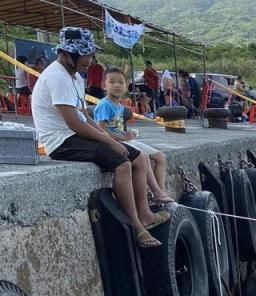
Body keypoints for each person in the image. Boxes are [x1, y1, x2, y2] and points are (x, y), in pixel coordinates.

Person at [33, 27, 168, 248]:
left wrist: (107, 136)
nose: (90, 59)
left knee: (141, 158)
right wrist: (110, 141)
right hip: (61, 141)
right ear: (69, 53)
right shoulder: (56, 76)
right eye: (86, 54)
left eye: (90, 54)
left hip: (75, 135)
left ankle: (146, 214)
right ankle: (135, 226)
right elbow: (74, 124)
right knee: (123, 164)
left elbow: (84, 115)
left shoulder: (74, 76)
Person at [94, 67, 174, 204]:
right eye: (112, 82)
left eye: (121, 82)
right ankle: (157, 192)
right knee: (143, 157)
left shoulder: (119, 105)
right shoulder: (104, 105)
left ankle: (160, 193)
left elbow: (116, 128)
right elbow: (100, 130)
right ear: (104, 86)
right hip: (114, 143)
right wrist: (123, 137)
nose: (117, 85)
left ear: (126, 87)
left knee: (160, 157)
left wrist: (127, 134)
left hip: (124, 139)